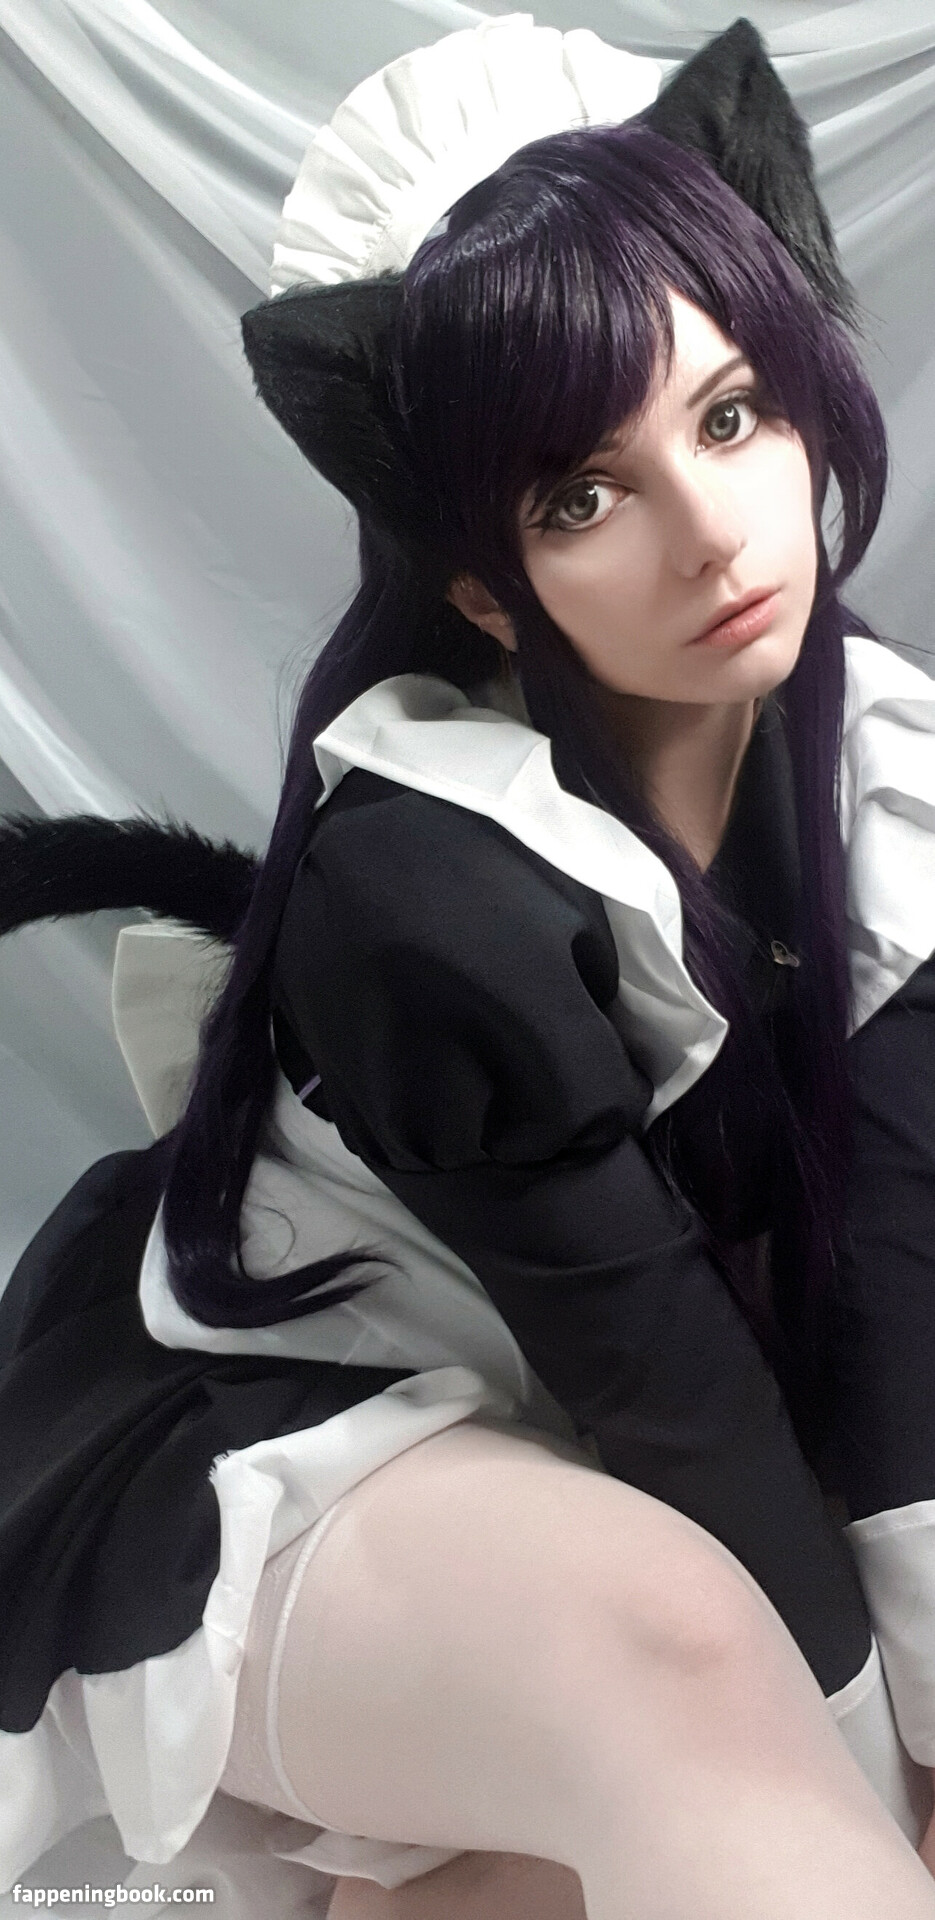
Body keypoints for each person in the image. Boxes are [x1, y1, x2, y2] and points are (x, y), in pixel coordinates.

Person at [2, 15, 935, 1920]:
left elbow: (893, 1311)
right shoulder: (431, 888)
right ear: (484, 584)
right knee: (698, 1668)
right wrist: (869, 1785)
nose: (713, 535)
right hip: (297, 1413)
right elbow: (667, 1391)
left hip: (587, 1427)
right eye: (584, 494)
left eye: (732, 414)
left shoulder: (883, 770)